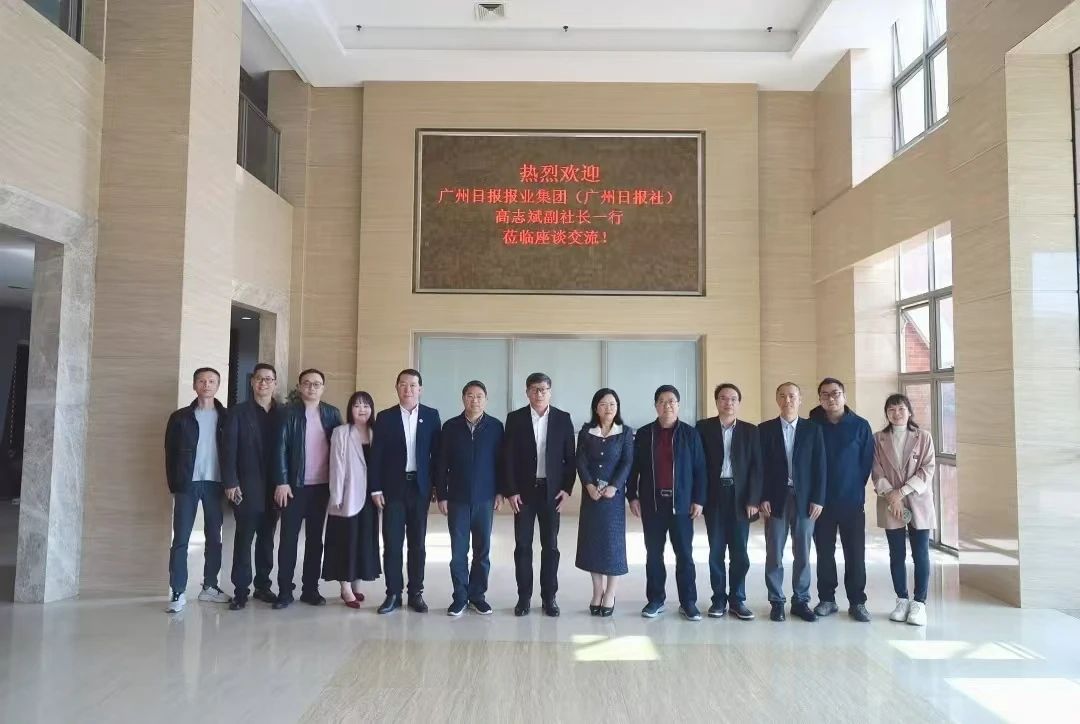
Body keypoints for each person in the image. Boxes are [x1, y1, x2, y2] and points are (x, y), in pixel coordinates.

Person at [627, 385, 707, 621]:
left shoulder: (690, 434)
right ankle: (655, 599)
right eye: (662, 401)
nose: (667, 405)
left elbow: (700, 470)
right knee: (654, 554)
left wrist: (699, 500)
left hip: (681, 505)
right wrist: (632, 496)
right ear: (655, 406)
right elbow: (633, 468)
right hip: (652, 504)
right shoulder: (644, 434)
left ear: (678, 405)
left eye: (671, 401)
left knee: (685, 555)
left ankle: (688, 602)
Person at [502, 372, 576, 617]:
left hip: (551, 492)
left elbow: (570, 458)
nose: (539, 393)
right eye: (534, 389)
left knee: (550, 546)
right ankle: (524, 598)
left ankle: (549, 598)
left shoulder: (563, 419)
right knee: (523, 546)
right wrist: (511, 490)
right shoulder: (515, 419)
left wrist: (567, 489)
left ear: (550, 392)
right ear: (527, 392)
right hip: (523, 493)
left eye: (543, 389)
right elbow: (508, 458)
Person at [370, 369, 442, 614]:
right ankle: (392, 593)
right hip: (393, 488)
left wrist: (437, 486)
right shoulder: (385, 417)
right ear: (397, 387)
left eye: (413, 385)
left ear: (420, 389)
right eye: (403, 384)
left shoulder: (431, 416)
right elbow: (377, 456)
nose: (408, 389)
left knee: (417, 544)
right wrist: (375, 488)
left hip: (420, 488)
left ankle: (415, 593)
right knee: (392, 544)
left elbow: (437, 455)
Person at [271, 368, 342, 609]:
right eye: (307, 383)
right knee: (288, 540)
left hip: (321, 487)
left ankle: (310, 589)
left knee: (315, 540)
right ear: (300, 387)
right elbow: (279, 448)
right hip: (294, 487)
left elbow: (341, 448)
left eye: (317, 384)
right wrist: (282, 481)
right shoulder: (287, 413)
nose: (312, 387)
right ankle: (284, 591)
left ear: (323, 388)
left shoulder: (332, 413)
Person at [164, 367, 231, 613]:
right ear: (194, 385)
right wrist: (174, 484)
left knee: (214, 538)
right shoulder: (180, 417)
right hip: (187, 483)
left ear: (218, 386)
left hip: (216, 483)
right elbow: (170, 453)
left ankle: (210, 586)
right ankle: (178, 590)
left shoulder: (228, 417)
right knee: (181, 538)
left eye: (211, 381)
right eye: (201, 381)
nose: (206, 385)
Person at [435, 380, 504, 616]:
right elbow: (441, 463)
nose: (475, 400)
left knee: (482, 551)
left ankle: (477, 596)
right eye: (470, 396)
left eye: (479, 396)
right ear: (463, 398)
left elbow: (501, 463)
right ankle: (460, 597)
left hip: (485, 498)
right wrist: (442, 495)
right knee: (458, 552)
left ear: (486, 399)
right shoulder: (450, 427)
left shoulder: (496, 427)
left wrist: (500, 492)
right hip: (457, 498)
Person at [808, 377, 875, 622]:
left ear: (844, 396)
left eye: (835, 393)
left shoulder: (860, 426)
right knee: (824, 553)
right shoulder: (812, 425)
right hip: (820, 502)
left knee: (855, 554)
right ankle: (827, 599)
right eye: (825, 394)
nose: (831, 398)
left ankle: (857, 602)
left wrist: (854, 488)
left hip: (851, 501)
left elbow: (866, 463)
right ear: (820, 399)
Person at [759, 382, 826, 623]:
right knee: (774, 552)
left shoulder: (813, 430)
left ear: (800, 399)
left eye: (792, 396)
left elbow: (820, 466)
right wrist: (762, 497)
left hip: (805, 500)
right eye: (783, 396)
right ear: (777, 399)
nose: (787, 400)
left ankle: (801, 600)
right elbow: (760, 467)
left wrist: (818, 499)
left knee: (803, 552)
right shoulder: (764, 430)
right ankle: (776, 601)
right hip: (775, 498)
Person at [696, 383, 762, 620]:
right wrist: (699, 498)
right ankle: (718, 599)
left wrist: (753, 499)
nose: (728, 403)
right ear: (716, 402)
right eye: (723, 398)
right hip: (714, 495)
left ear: (739, 403)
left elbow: (757, 467)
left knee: (739, 552)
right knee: (716, 551)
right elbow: (698, 465)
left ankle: (737, 599)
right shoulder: (703, 428)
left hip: (740, 497)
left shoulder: (750, 431)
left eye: (733, 399)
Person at [872, 393, 936, 627]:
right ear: (886, 414)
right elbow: (876, 470)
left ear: (909, 411)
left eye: (900, 409)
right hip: (890, 501)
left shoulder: (923, 437)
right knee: (896, 553)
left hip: (918, 499)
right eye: (891, 410)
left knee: (920, 553)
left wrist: (903, 492)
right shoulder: (878, 439)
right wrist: (892, 495)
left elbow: (928, 468)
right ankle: (901, 600)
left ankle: (919, 603)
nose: (896, 413)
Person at [222, 363, 282, 610]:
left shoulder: (283, 413)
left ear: (275, 383)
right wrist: (230, 481)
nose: (263, 383)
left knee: (267, 538)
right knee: (244, 538)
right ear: (252, 382)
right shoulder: (238, 412)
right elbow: (228, 449)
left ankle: (263, 586)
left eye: (268, 379)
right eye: (259, 378)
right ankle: (240, 590)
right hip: (246, 485)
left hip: (274, 486)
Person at [575, 388, 633, 617]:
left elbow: (627, 462)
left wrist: (614, 486)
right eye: (603, 404)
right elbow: (580, 460)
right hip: (592, 496)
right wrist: (589, 485)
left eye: (612, 404)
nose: (608, 408)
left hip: (613, 498)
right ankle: (597, 591)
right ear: (595, 408)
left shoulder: (624, 432)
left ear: (617, 407)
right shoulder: (586, 432)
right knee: (593, 544)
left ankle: (610, 593)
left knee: (612, 545)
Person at [323, 391, 382, 608]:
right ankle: (345, 588)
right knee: (345, 541)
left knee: (363, 540)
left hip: (370, 497)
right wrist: (336, 495)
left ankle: (356, 585)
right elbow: (336, 466)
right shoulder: (341, 432)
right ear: (350, 409)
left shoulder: (377, 432)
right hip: (347, 495)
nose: (362, 409)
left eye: (366, 405)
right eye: (357, 405)